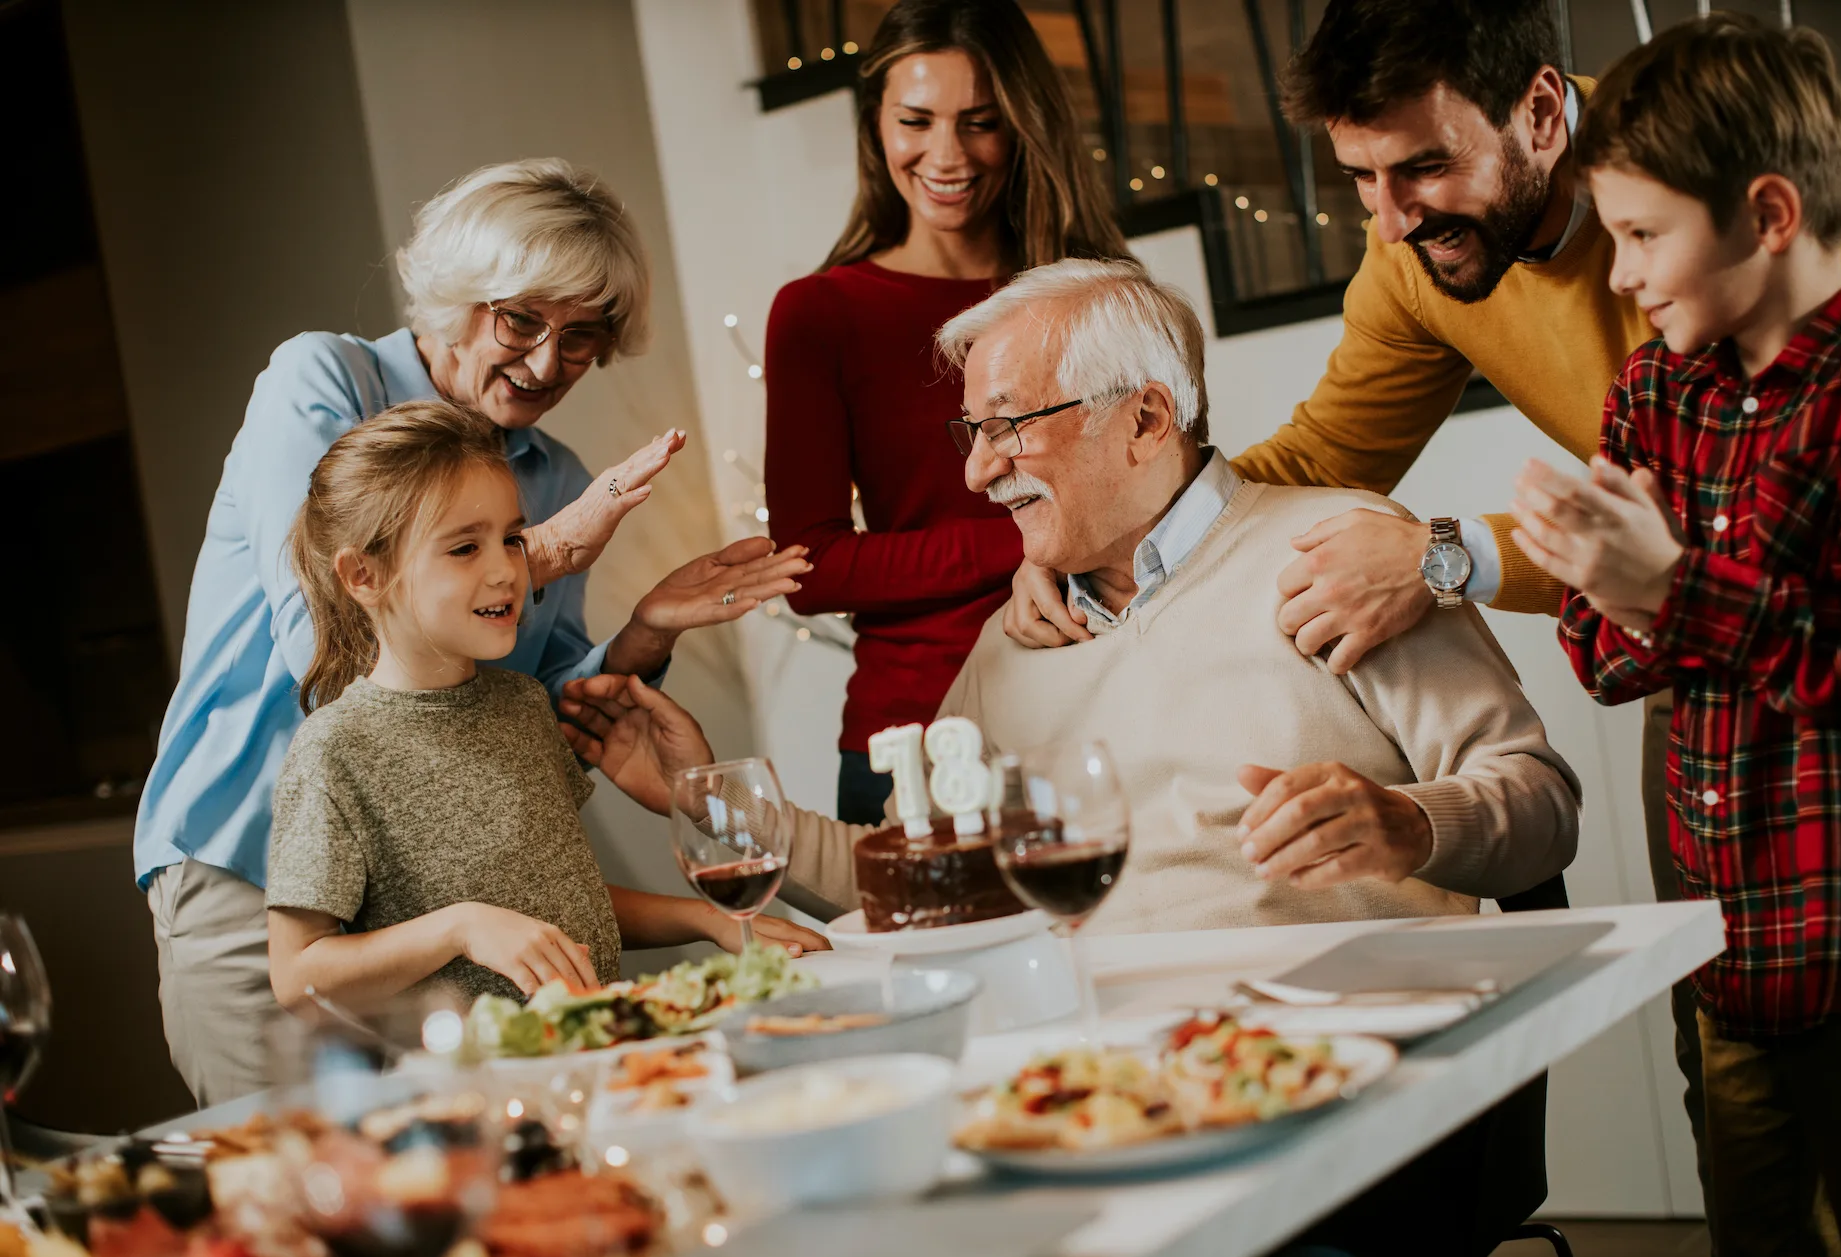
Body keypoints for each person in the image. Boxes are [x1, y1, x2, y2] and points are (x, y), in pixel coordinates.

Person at [998, 0, 1841, 1209]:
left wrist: (1450, 554)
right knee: (1745, 1095)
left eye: (1423, 165)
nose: (1388, 219)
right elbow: (1332, 449)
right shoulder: (1435, 272)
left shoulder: (1738, 180)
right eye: (1359, 178)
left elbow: (1828, 528)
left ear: (1543, 112)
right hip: (1708, 694)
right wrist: (1096, 525)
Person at [564, 261, 1580, 1257]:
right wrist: (720, 808)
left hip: (1318, 1090)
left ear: (1144, 418)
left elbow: (1539, 797)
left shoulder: (1342, 560)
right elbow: (925, 870)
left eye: (1009, 425)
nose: (976, 472)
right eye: (974, 432)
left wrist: (1410, 822)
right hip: (1095, 1101)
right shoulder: (1016, 640)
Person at [136, 158, 812, 1104]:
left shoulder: (554, 470)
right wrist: (543, 552)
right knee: (302, 1205)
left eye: (583, 339)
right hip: (253, 873)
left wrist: (646, 631)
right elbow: (332, 655)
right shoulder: (322, 378)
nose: (546, 364)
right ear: (457, 296)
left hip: (436, 898)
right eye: (521, 320)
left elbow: (510, 720)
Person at [1513, 18, 1841, 1257]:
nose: (1622, 274)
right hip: (1727, 957)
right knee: (1756, 1252)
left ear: (1770, 212)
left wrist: (1674, 590)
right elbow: (1601, 652)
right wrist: (1627, 589)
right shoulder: (1651, 397)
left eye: (1642, 236)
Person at [264, 403, 824, 1010]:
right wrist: (460, 928)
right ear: (363, 575)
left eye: (510, 539)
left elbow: (563, 898)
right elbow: (297, 974)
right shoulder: (335, 750)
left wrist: (709, 919)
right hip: (478, 1085)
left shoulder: (523, 705)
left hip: (596, 1049)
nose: (507, 569)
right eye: (463, 549)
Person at [764, 0, 1129, 825]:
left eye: (980, 123)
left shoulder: (1098, 292)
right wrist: (1024, 539)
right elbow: (809, 568)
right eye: (916, 121)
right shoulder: (822, 314)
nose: (947, 155)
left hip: (1099, 701)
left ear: (1023, 126)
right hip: (917, 739)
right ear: (876, 128)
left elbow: (1157, 497)